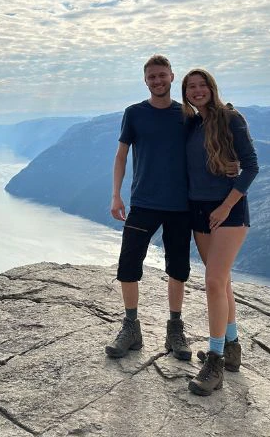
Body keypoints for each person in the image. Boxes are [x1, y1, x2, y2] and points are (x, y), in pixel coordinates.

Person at [105, 54, 193, 361]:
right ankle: (131, 327)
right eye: (152, 77)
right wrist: (116, 195)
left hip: (181, 204)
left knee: (178, 267)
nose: (157, 81)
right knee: (128, 264)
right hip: (143, 201)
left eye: (162, 75)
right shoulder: (134, 114)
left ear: (172, 77)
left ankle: (175, 329)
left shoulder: (187, 114)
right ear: (145, 81)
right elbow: (121, 156)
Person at [181, 68, 259, 396]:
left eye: (202, 85)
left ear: (212, 88)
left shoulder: (230, 118)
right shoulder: (192, 124)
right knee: (222, 281)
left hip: (228, 211)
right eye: (191, 87)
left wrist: (226, 206)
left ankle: (214, 361)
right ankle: (232, 347)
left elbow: (251, 165)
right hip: (198, 210)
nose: (197, 91)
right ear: (185, 92)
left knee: (213, 281)